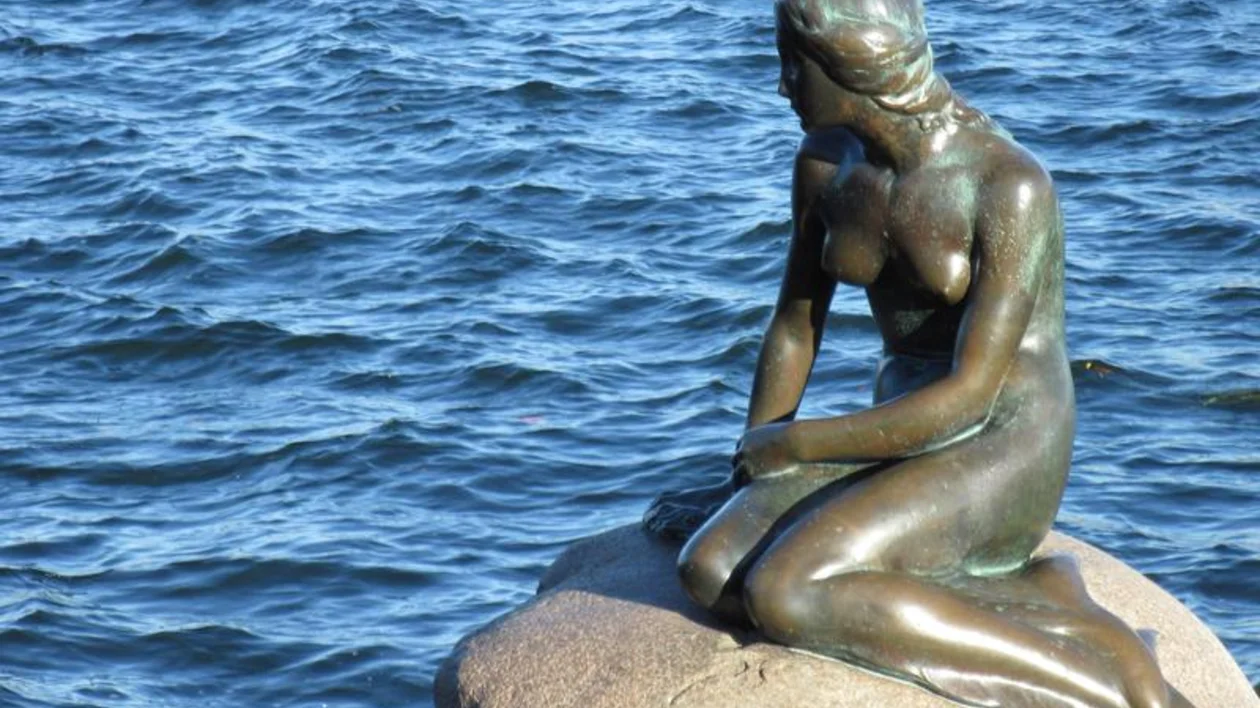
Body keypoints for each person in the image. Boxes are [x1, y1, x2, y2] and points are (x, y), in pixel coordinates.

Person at [644, 1, 1189, 705]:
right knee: (710, 569)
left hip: (1003, 438)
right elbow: (794, 324)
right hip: (901, 423)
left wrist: (800, 444)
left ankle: (1116, 684)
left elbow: (970, 394)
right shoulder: (824, 165)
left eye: (794, 65)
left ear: (853, 66)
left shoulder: (1007, 185)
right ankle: (1038, 592)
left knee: (787, 589)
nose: (782, 85)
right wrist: (752, 461)